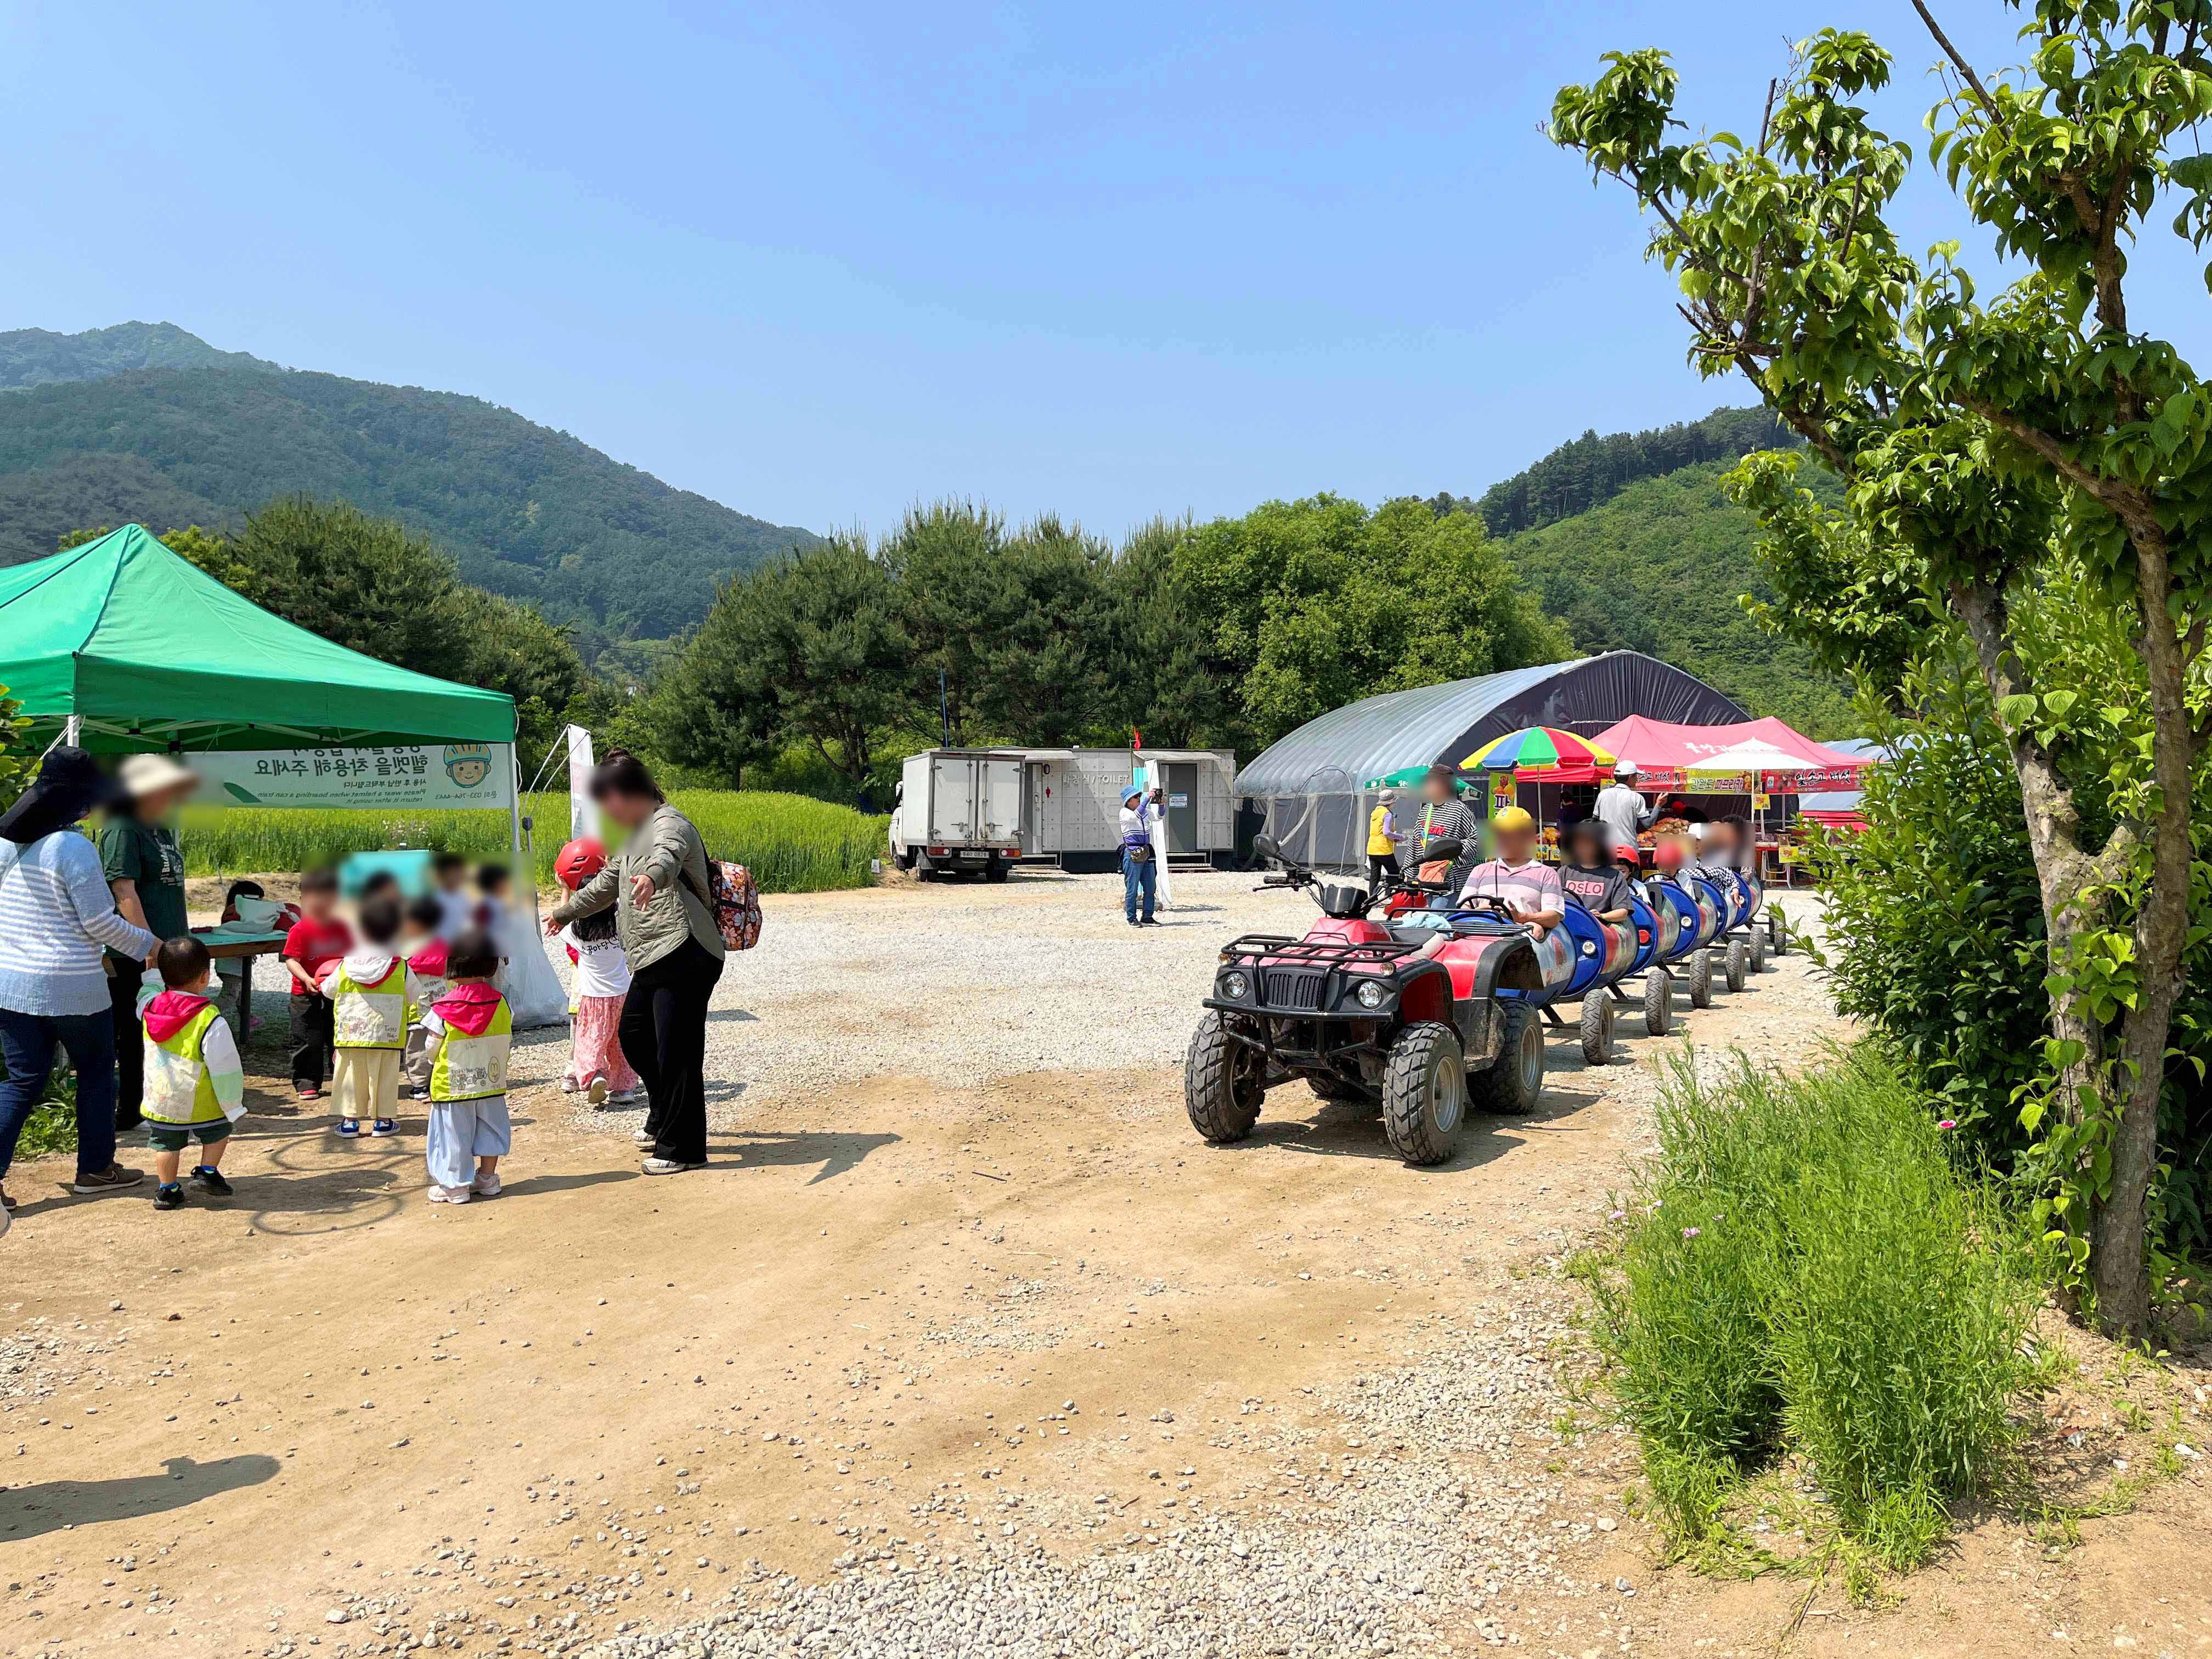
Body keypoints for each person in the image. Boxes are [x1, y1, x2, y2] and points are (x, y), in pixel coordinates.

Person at [544, 749, 727, 1176]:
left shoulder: (668, 823)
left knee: (677, 1052)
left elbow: (667, 855)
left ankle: (683, 1148)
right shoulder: (632, 835)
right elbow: (605, 886)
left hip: (685, 950)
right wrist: (563, 913)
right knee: (635, 1036)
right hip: (652, 956)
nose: (609, 809)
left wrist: (652, 876)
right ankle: (664, 1114)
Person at [0, 747, 158, 1206]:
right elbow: (99, 923)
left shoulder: (8, 843)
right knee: (94, 1073)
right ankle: (95, 1169)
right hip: (73, 986)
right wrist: (153, 948)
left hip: (11, 983)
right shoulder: (72, 847)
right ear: (77, 804)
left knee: (23, 1081)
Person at [100, 752, 199, 1133]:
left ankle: (158, 1104)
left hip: (168, 948)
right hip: (139, 952)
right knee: (138, 1031)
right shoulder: (124, 828)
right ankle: (132, 1112)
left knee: (166, 1027)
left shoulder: (157, 826)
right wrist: (149, 945)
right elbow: (123, 889)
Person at [137, 935, 246, 1212]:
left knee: (165, 1145)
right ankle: (207, 1172)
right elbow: (225, 1066)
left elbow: (146, 992)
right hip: (202, 1102)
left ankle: (167, 1190)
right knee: (219, 1131)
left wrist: (151, 973)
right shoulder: (210, 1018)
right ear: (205, 977)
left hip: (162, 1098)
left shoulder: (150, 1008)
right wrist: (232, 1103)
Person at [418, 926, 512, 1204]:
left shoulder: (442, 1008)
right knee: (491, 1127)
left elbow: (431, 1046)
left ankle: (456, 1185)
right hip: (491, 1082)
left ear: (452, 967)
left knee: (454, 1134)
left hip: (453, 1085)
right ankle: (488, 1178)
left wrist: (434, 1063)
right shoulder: (501, 1003)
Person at [324, 894, 422, 1139]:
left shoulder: (346, 966)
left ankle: (350, 1122)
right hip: (386, 1034)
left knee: (350, 1075)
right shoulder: (400, 965)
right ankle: (383, 1122)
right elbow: (415, 995)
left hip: (351, 1033)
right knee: (386, 1076)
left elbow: (328, 990)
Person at [555, 837, 643, 1107]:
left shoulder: (578, 935)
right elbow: (623, 903)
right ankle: (624, 1089)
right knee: (620, 1042)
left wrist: (568, 890)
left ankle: (594, 1077)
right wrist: (609, 877)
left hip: (594, 998)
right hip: (623, 994)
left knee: (590, 1039)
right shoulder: (620, 928)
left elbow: (563, 915)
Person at [280, 868, 351, 1102]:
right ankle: (306, 1082)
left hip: (338, 994)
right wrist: (306, 978)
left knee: (340, 1038)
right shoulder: (301, 929)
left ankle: (343, 1081)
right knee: (307, 1039)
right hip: (305, 993)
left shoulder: (345, 928)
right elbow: (292, 960)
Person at [399, 895, 450, 1103]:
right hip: (436, 1002)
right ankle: (428, 1081)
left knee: (419, 1044)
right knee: (433, 1041)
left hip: (420, 1004)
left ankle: (420, 1084)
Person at [1402, 765, 1481, 894]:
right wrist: (1409, 875)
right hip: (1427, 881)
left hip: (1451, 884)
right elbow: (1415, 845)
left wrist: (1449, 854)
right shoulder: (1426, 811)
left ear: (1443, 785)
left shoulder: (1459, 810)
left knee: (1441, 913)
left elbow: (1476, 842)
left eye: (1430, 782)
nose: (1426, 786)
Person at [1559, 819, 1635, 923]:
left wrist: (1602, 916)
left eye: (1587, 843)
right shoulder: (1564, 872)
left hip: (1597, 930)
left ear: (1600, 846)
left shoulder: (1614, 876)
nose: (1581, 847)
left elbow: (1622, 912)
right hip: (1565, 927)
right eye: (1578, 843)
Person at [1593, 760, 1656, 860]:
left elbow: (1594, 821)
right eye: (1636, 776)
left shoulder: (1603, 795)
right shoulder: (1636, 797)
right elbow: (1648, 824)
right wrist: (1659, 805)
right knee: (1630, 875)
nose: (1637, 779)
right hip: (1628, 849)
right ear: (1631, 777)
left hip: (1606, 849)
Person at [1118, 785, 1160, 927]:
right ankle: (1131, 917)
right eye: (1137, 797)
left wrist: (1162, 805)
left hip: (1146, 852)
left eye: (1140, 797)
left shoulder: (1144, 811)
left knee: (1150, 887)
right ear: (1129, 801)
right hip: (1132, 853)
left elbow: (1159, 817)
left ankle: (1147, 916)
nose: (1139, 799)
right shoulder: (1124, 812)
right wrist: (1148, 798)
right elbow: (1135, 816)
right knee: (1132, 888)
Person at [1365, 791, 1402, 891]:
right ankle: (1388, 895)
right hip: (1383, 849)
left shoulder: (1375, 812)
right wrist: (1400, 837)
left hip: (1372, 848)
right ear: (1390, 803)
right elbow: (1386, 833)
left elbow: (1378, 831)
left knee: (1375, 876)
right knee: (1394, 872)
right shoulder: (1387, 814)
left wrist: (1393, 838)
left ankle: (1372, 900)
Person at [431, 851, 472, 940]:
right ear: (441, 875)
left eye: (459, 872)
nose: (456, 877)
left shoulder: (465, 897)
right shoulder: (436, 899)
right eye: (451, 873)